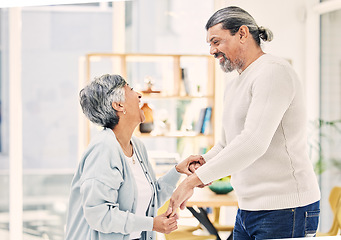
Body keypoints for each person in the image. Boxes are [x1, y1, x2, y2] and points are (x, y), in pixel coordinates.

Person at [169, 6, 321, 239]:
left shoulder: (273, 72)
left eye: (216, 41)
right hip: (249, 208)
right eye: (210, 44)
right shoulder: (235, 84)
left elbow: (254, 142)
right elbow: (226, 144)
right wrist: (203, 162)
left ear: (242, 34)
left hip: (286, 208)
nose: (212, 50)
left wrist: (192, 182)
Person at [65, 74, 196, 240]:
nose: (139, 95)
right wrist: (151, 224)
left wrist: (178, 170)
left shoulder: (137, 146)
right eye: (131, 90)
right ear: (119, 105)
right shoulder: (103, 149)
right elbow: (100, 215)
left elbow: (151, 197)